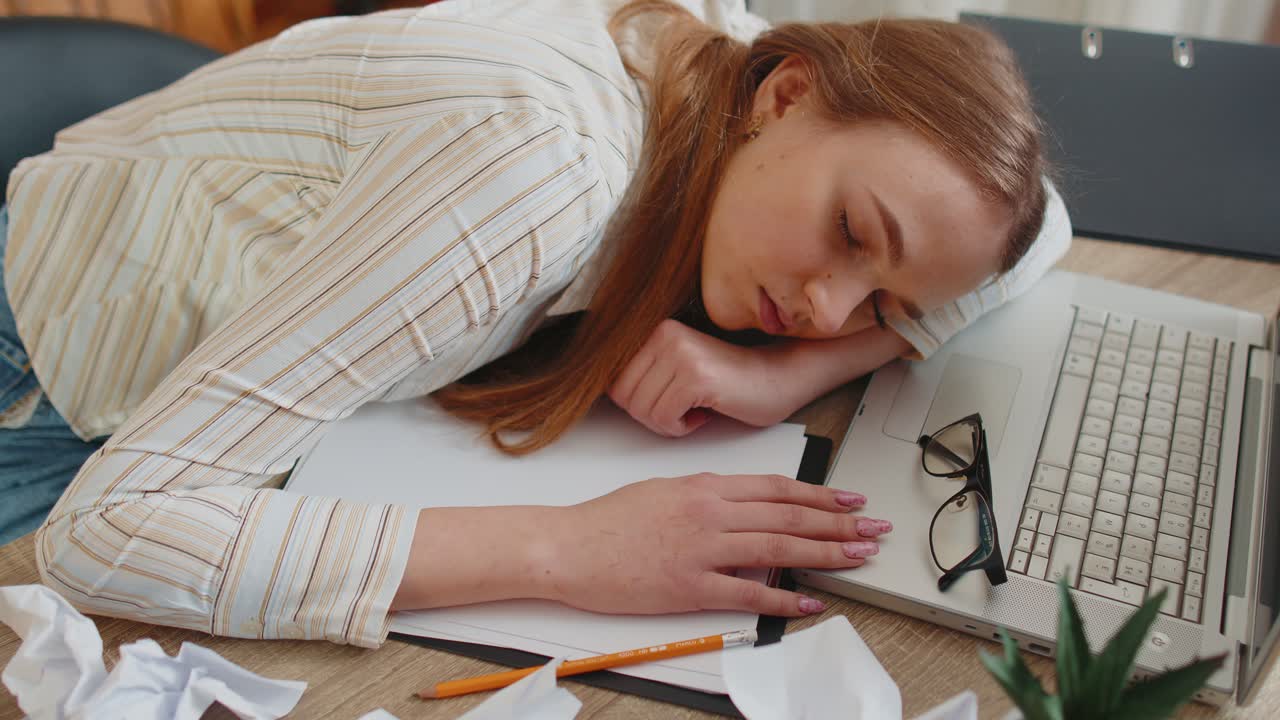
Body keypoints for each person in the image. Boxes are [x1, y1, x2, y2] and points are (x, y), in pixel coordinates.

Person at [0, 0, 1068, 646]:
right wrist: (567, 547)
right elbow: (110, 535)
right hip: (50, 377)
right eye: (846, 231)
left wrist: (787, 376)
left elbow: (1039, 225)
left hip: (193, 349)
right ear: (786, 95)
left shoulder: (720, 57)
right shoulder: (541, 176)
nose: (827, 307)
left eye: (881, 300)